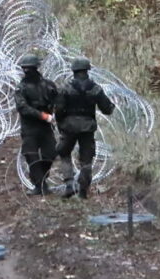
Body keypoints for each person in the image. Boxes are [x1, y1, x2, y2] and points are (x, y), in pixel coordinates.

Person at [56, 58, 116, 200]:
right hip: (87, 128)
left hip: (69, 127)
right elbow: (107, 109)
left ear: (74, 71)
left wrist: (60, 123)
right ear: (87, 70)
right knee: (86, 160)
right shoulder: (95, 88)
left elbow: (58, 109)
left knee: (63, 152)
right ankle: (83, 190)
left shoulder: (66, 88)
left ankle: (69, 184)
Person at [14, 53, 62, 194]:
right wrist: (42, 115)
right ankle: (39, 186)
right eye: (25, 69)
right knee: (31, 155)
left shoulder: (48, 85)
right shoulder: (21, 88)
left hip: (45, 127)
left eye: (30, 68)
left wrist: (56, 113)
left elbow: (58, 101)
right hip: (30, 127)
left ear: (36, 68)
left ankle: (42, 179)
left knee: (51, 153)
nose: (27, 71)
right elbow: (23, 108)